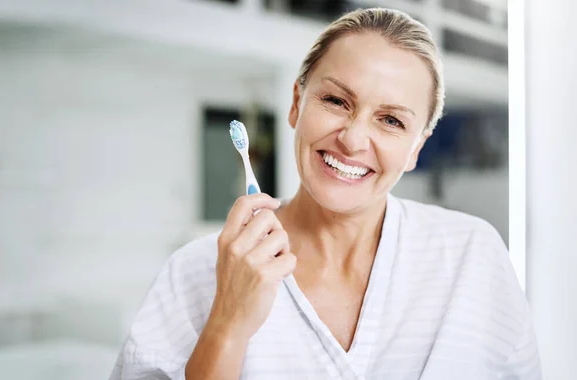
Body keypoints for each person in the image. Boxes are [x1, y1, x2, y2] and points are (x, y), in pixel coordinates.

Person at [109, 8, 541, 380]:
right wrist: (227, 324)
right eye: (336, 101)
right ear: (297, 103)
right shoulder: (193, 273)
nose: (353, 140)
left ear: (417, 148)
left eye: (391, 121)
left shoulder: (471, 256)